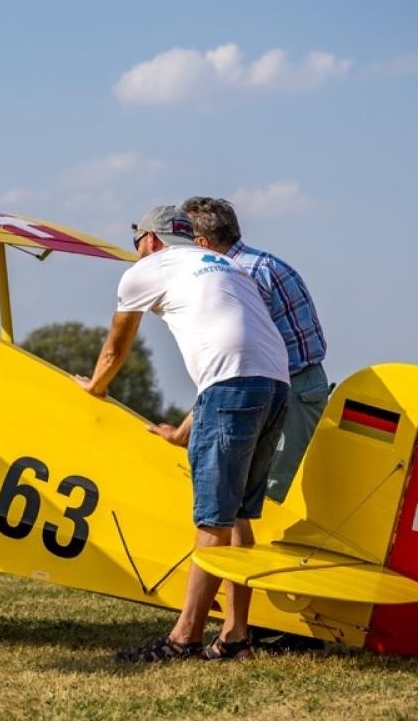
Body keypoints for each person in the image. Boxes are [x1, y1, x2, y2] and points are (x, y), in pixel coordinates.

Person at [76, 205, 289, 662]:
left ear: (151, 240)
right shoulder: (224, 266)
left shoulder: (147, 270)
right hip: (275, 386)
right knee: (238, 518)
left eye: (137, 239)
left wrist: (95, 386)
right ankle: (235, 637)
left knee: (212, 518)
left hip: (234, 386)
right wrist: (186, 430)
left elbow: (116, 345)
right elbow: (237, 352)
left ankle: (184, 639)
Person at [180, 196, 328, 502]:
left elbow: (240, 357)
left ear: (203, 243)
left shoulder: (235, 275)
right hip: (298, 385)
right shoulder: (263, 262)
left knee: (266, 493)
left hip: (288, 392)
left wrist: (188, 424)